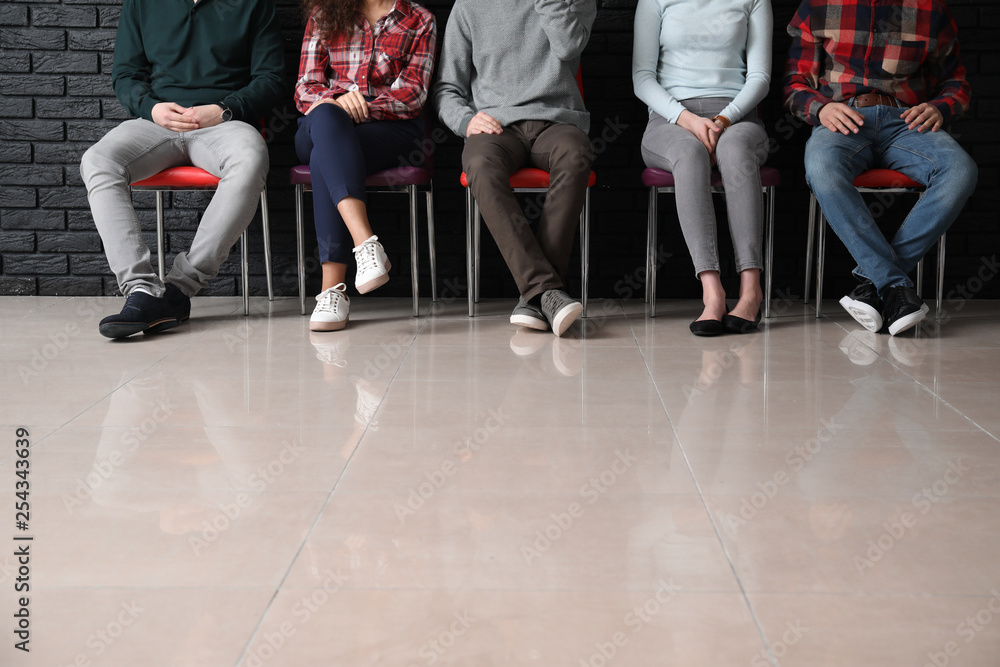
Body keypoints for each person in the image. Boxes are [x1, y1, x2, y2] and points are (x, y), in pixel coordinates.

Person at [80, 0, 284, 339]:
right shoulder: (142, 4)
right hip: (157, 123)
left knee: (251, 157)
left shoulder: (254, 3)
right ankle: (141, 291)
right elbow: (125, 75)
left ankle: (178, 290)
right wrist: (152, 108)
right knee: (98, 161)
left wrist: (223, 109)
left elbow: (271, 79)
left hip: (223, 123)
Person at [784, 0, 977, 336]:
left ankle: (874, 284)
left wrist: (941, 107)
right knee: (822, 168)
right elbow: (793, 84)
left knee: (960, 170)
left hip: (907, 122)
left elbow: (957, 83)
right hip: (842, 118)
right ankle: (894, 287)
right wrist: (820, 109)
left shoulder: (930, 8)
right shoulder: (817, 5)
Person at [434, 0, 597, 337]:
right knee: (478, 163)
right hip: (496, 126)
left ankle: (535, 295)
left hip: (557, 122)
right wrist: (465, 121)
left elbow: (568, 46)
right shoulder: (468, 6)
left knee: (577, 153)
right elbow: (447, 88)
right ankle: (546, 292)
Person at [632, 0, 773, 336]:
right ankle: (713, 292)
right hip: (671, 118)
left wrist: (723, 120)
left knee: (736, 149)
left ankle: (751, 290)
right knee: (690, 153)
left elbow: (760, 76)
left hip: (738, 116)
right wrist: (689, 121)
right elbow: (642, 78)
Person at [294, 0, 436, 332]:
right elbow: (304, 88)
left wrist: (360, 106)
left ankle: (332, 291)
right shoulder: (324, 13)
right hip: (322, 124)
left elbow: (413, 95)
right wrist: (337, 104)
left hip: (389, 131)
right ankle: (365, 243)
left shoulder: (420, 20)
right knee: (328, 120)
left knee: (324, 157)